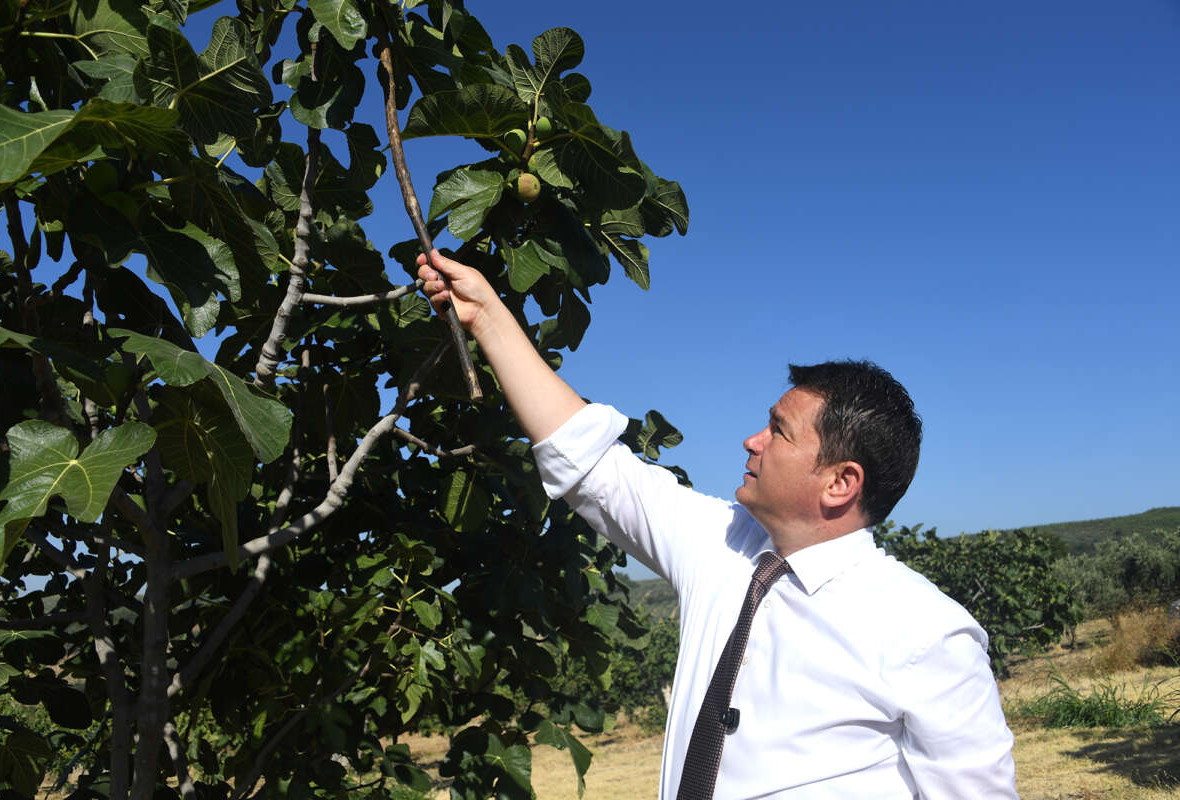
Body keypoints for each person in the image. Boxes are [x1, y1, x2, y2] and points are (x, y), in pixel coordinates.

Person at [417, 250, 1017, 799]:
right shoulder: (721, 544)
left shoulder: (926, 633)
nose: (752, 442)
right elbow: (592, 465)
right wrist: (488, 318)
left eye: (779, 431)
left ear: (840, 483)